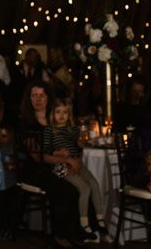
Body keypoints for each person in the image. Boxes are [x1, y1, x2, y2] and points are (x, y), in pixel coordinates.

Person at [18, 80, 81, 241]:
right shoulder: (26, 123)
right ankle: (60, 236)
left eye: (42, 95)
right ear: (29, 99)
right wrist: (66, 159)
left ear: (48, 97)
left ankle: (75, 234)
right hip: (35, 169)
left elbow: (72, 141)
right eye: (34, 95)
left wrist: (74, 158)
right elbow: (36, 156)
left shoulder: (56, 117)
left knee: (80, 186)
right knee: (67, 191)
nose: (38, 100)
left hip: (57, 167)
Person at [44, 97, 106, 240]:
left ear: (69, 114)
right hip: (61, 165)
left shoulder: (73, 129)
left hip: (77, 163)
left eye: (65, 112)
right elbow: (46, 151)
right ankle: (84, 223)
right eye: (58, 112)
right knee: (84, 188)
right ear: (52, 114)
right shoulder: (49, 130)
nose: (61, 115)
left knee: (94, 184)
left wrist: (81, 144)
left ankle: (99, 218)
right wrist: (58, 154)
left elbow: (79, 146)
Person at [0, 123, 24, 241]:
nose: (0, 139)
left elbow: (21, 162)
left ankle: (9, 230)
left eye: (4, 136)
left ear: (10, 137)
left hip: (11, 185)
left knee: (11, 209)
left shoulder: (14, 149)